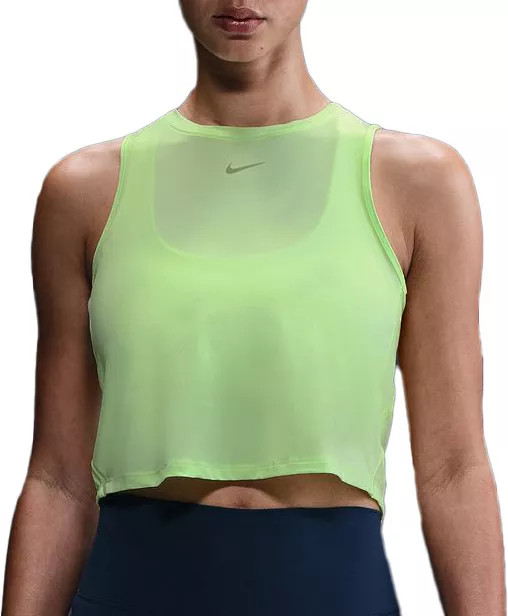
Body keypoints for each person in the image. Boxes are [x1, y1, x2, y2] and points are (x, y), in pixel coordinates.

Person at [2, 1, 505, 615]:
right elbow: (57, 479)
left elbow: (455, 467)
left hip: (333, 596)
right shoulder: (85, 191)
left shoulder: (419, 183)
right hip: (129, 593)